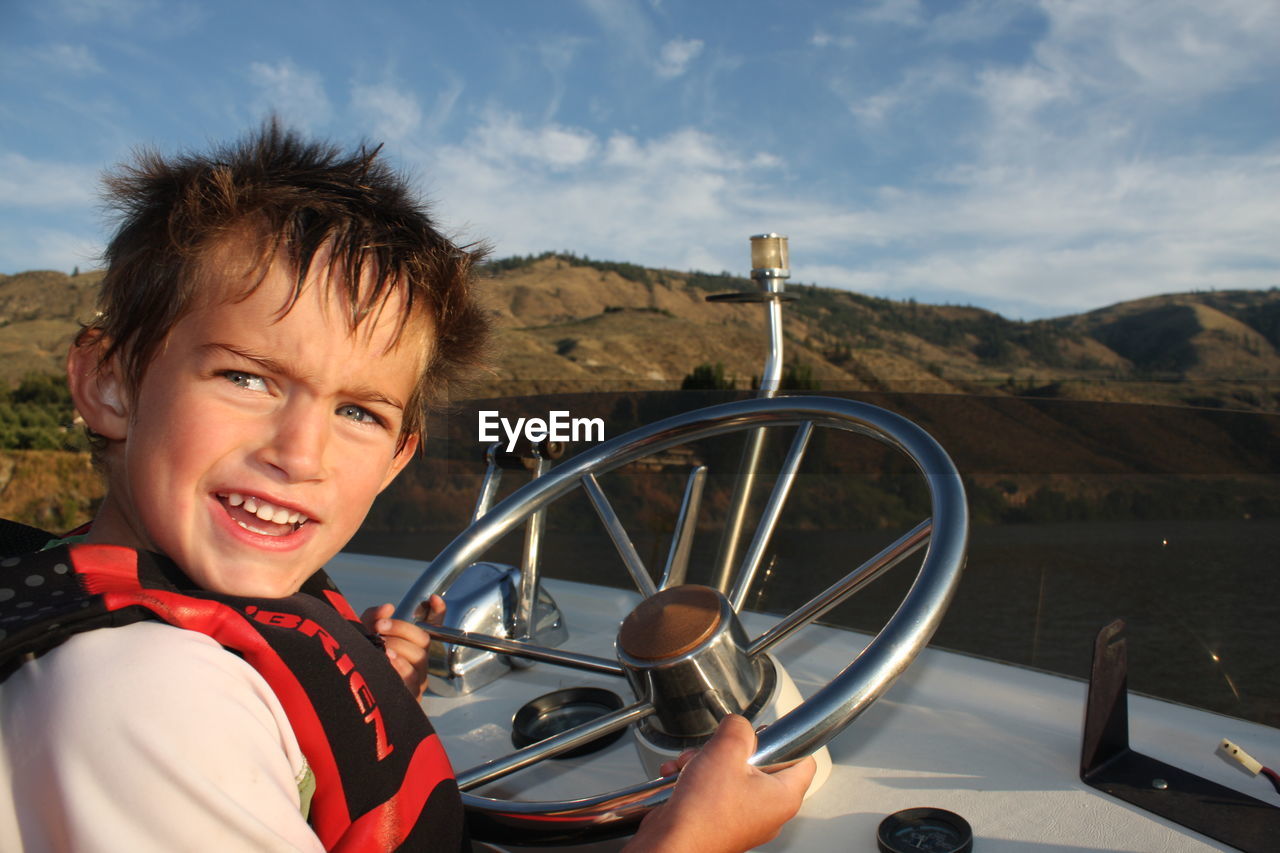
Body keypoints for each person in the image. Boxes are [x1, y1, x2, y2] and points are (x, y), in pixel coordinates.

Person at [0, 122, 815, 852]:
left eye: (359, 410)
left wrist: (362, 691)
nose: (301, 452)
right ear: (108, 383)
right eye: (247, 379)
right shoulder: (143, 702)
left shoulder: (207, 603)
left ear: (396, 457)